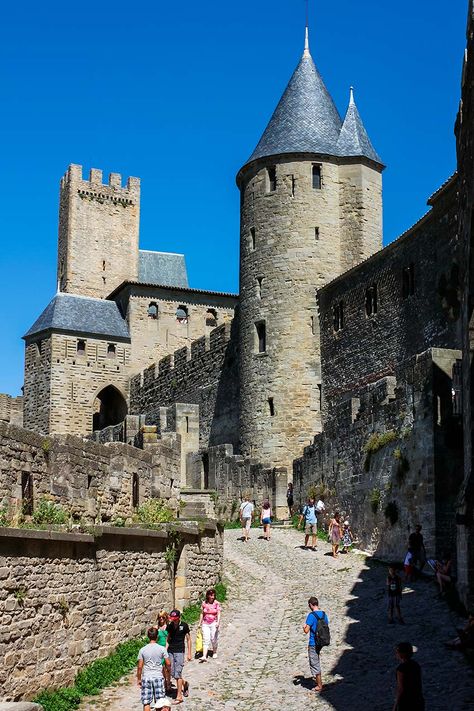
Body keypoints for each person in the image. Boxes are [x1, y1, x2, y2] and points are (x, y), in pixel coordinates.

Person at [137, 627, 171, 711]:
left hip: (147, 677)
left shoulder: (142, 650)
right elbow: (168, 663)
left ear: (148, 636)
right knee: (159, 702)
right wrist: (168, 671)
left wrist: (138, 678)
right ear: (157, 637)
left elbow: (140, 666)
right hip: (158, 677)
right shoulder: (162, 649)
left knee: (146, 702)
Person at [303, 596, 329, 693]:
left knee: (314, 663)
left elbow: (306, 631)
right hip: (321, 641)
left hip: (313, 642)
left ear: (310, 605)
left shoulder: (311, 616)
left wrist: (303, 627)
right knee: (316, 660)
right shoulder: (324, 614)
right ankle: (319, 682)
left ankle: (319, 685)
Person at [166, 609, 191, 705]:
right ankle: (185, 684)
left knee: (178, 673)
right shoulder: (170, 626)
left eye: (175, 619)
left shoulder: (184, 626)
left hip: (180, 651)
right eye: (173, 619)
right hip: (171, 651)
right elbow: (168, 639)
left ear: (179, 618)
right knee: (172, 673)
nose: (174, 621)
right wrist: (165, 651)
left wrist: (189, 653)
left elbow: (188, 639)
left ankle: (179, 696)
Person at [393, 642, 425, 711]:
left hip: (406, 703)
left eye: (397, 652)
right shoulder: (416, 665)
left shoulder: (401, 669)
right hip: (418, 700)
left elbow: (401, 689)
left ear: (401, 654)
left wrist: (395, 705)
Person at [198, 588, 221, 662]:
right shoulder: (204, 603)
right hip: (205, 623)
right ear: (208, 595)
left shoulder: (216, 603)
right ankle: (204, 655)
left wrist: (218, 622)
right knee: (206, 638)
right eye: (211, 595)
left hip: (213, 622)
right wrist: (199, 623)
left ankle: (214, 651)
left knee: (213, 638)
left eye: (213, 595)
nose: (212, 597)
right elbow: (202, 613)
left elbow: (218, 613)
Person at [154, 610, 172, 692]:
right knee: (162, 668)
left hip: (167, 648)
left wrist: (166, 648)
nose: (161, 619)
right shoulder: (156, 628)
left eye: (163, 617)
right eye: (159, 617)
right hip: (159, 649)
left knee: (168, 667)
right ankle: (165, 681)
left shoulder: (168, 627)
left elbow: (169, 638)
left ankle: (168, 682)